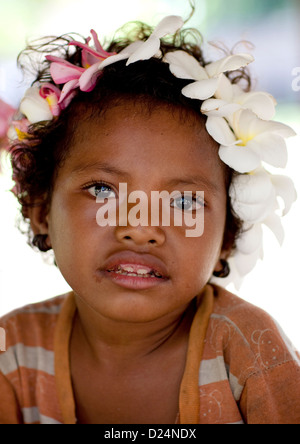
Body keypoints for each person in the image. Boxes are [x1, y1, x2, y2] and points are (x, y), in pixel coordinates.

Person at [0, 15, 299, 425]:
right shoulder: (12, 352)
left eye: (182, 201)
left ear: (227, 238)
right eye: (103, 190)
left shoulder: (252, 352)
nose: (141, 227)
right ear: (40, 213)